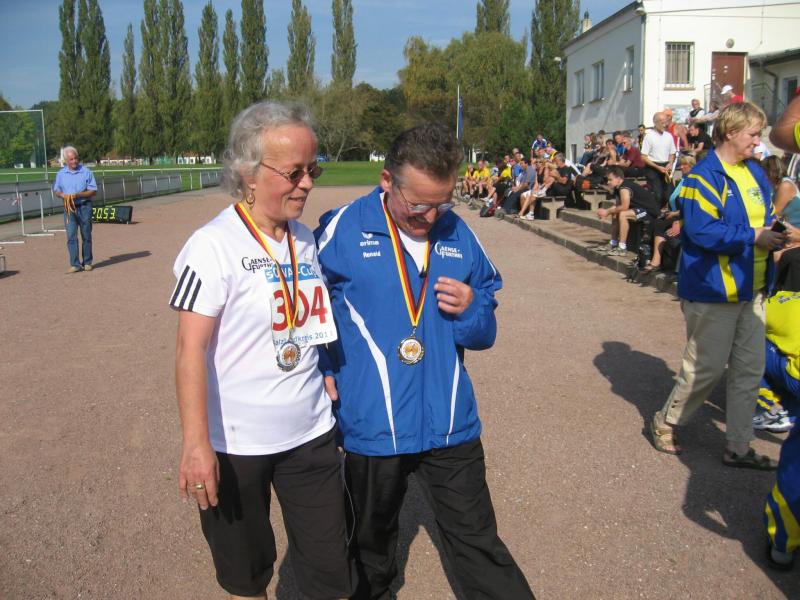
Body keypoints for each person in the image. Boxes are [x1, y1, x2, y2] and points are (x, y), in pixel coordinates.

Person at [314, 123, 535, 600]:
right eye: (418, 205)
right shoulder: (340, 230)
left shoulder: (459, 234)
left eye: (442, 203)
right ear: (387, 181)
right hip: (374, 425)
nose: (430, 217)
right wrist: (324, 367)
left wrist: (473, 308)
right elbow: (308, 311)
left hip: (450, 422)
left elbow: (485, 331)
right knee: (369, 550)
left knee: (478, 543)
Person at [170, 101, 355, 600]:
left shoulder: (305, 239)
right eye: (294, 172)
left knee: (329, 571)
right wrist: (196, 444)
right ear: (249, 173)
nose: (308, 183)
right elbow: (189, 350)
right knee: (246, 576)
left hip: (310, 435)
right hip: (236, 446)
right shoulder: (212, 246)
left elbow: (307, 320)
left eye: (313, 169)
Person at [649, 102, 787, 466]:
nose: (758, 142)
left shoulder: (753, 172)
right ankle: (666, 422)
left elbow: (766, 216)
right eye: (753, 134)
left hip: (752, 289)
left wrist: (779, 231)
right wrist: (755, 235)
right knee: (705, 368)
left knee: (749, 371)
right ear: (730, 132)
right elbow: (702, 231)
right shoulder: (703, 176)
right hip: (714, 289)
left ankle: (738, 446)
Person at [640, 155, 696, 273]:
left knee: (659, 225)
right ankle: (646, 254)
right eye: (681, 164)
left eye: (685, 165)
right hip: (675, 213)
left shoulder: (693, 182)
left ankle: (655, 261)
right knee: (655, 220)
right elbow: (672, 199)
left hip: (684, 216)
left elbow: (692, 206)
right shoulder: (682, 181)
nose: (682, 167)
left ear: (692, 167)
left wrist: (676, 214)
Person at [597, 166, 661, 255]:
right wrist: (607, 211)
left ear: (618, 178)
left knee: (623, 214)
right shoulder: (618, 188)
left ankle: (622, 247)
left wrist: (607, 212)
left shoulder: (624, 187)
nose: (608, 182)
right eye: (608, 180)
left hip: (649, 211)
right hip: (639, 209)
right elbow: (618, 206)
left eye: (610, 180)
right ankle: (613, 242)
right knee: (615, 214)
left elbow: (624, 207)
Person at [53, 146, 96, 273]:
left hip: (84, 206)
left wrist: (78, 195)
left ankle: (87, 262)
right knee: (71, 236)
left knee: (86, 235)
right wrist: (62, 195)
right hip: (69, 208)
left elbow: (93, 190)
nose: (74, 161)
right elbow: (56, 190)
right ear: (66, 160)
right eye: (71, 159)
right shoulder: (61, 174)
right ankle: (75, 264)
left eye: (75, 158)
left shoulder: (86, 172)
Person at [640, 111, 677, 207]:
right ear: (655, 122)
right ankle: (656, 211)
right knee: (657, 193)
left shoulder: (668, 136)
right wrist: (657, 167)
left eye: (666, 122)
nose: (664, 124)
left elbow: (672, 153)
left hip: (666, 166)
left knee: (670, 193)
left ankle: (670, 211)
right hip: (653, 167)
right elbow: (644, 157)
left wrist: (670, 163)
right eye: (662, 122)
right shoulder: (649, 136)